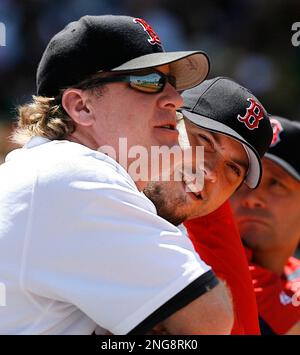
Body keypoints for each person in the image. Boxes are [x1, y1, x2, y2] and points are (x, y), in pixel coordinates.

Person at [0, 15, 235, 335]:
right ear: (81, 107)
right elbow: (210, 322)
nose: (175, 100)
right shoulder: (75, 175)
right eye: (149, 81)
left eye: (173, 85)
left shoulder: (51, 169)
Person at [144, 77, 273, 334]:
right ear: (167, 124)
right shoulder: (85, 174)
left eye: (233, 169)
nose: (211, 172)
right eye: (204, 140)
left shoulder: (189, 261)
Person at [231, 116, 300, 335]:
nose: (252, 198)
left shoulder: (293, 271)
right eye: (243, 179)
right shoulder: (205, 264)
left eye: (276, 183)